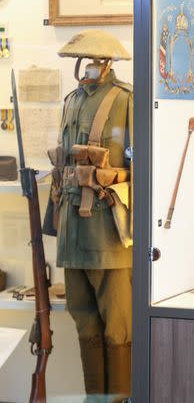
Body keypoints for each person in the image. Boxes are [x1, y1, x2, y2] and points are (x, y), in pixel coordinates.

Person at [43, 30, 133, 402]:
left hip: (107, 236)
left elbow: (141, 167)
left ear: (107, 63)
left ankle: (120, 398)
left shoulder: (126, 101)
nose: (87, 68)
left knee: (118, 328)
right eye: (83, 61)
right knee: (84, 322)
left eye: (94, 61)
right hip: (73, 235)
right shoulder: (71, 101)